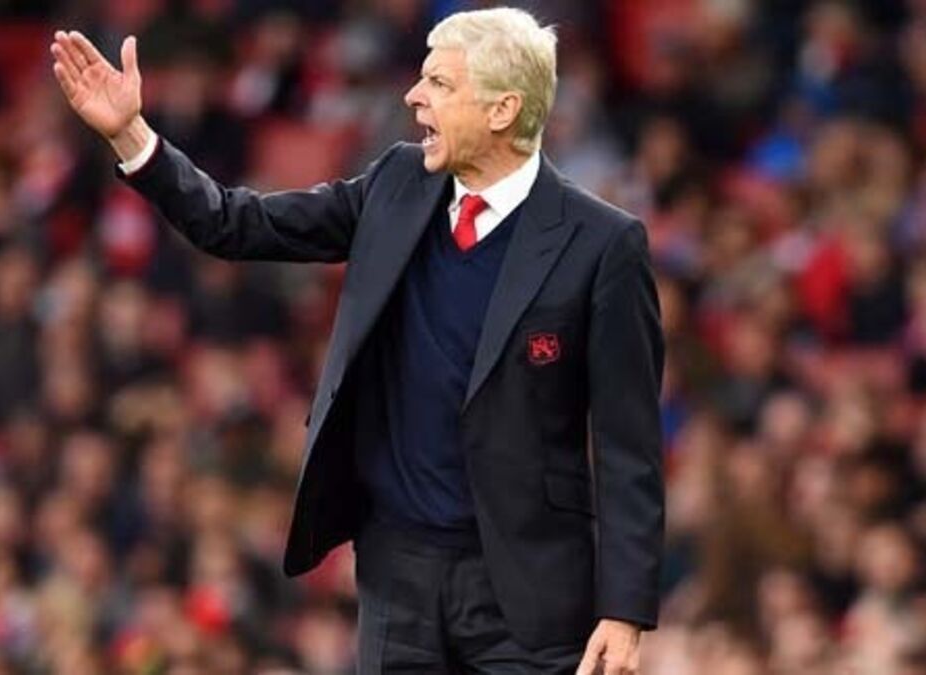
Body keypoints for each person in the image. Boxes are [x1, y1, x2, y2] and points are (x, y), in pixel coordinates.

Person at [51, 7, 663, 674]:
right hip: (398, 575)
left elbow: (629, 445)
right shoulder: (397, 183)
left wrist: (624, 610)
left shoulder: (602, 244)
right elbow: (236, 224)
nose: (414, 96)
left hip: (529, 588)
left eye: (439, 83)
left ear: (502, 109)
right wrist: (133, 136)